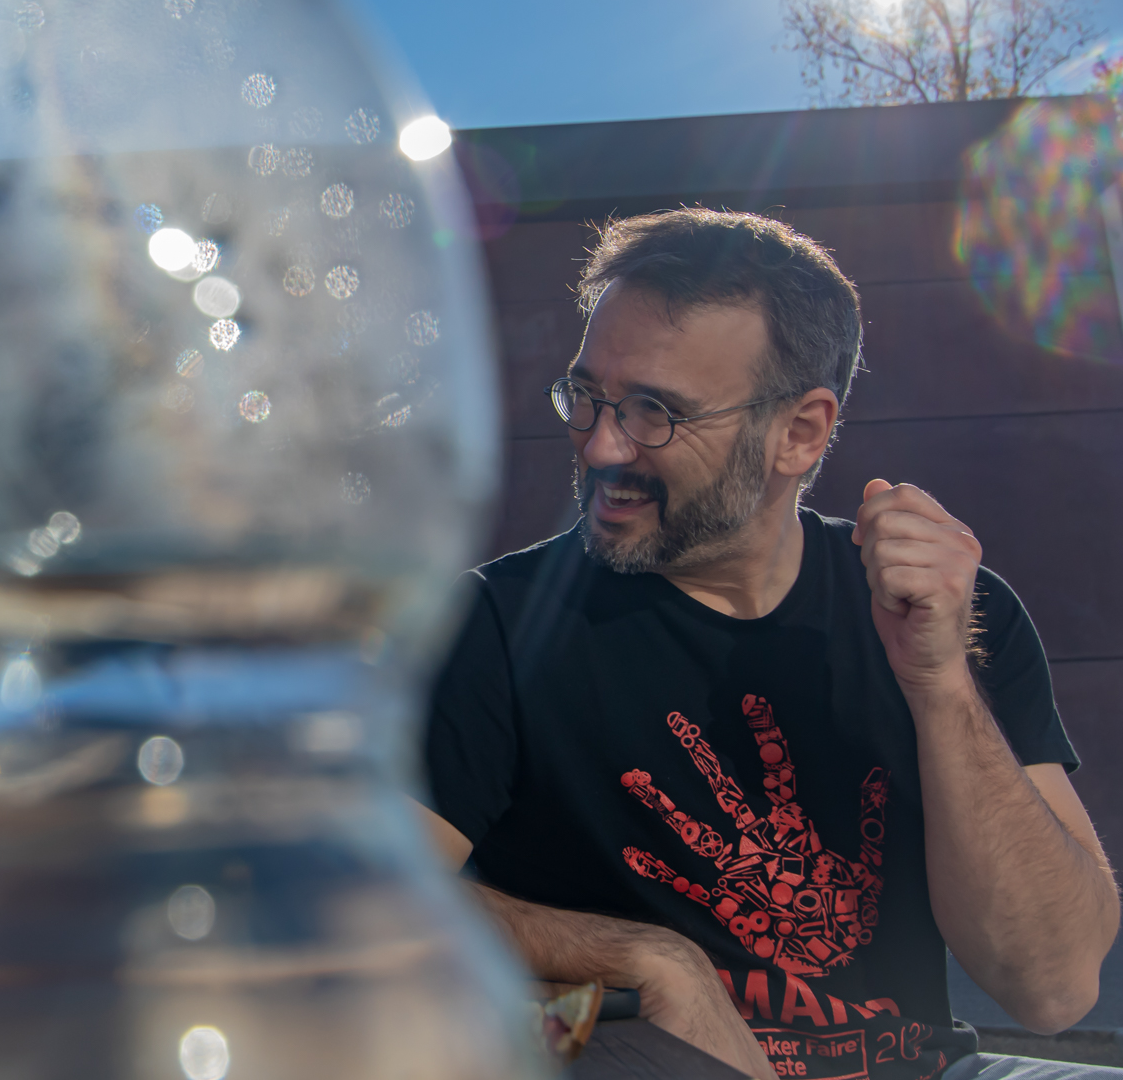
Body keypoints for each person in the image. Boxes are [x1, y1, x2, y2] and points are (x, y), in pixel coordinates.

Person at [422, 208, 1120, 1080]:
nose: (600, 444)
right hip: (623, 1055)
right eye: (587, 395)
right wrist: (638, 958)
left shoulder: (948, 616)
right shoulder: (495, 624)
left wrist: (939, 682)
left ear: (800, 432)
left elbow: (1054, 986)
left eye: (654, 411)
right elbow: (347, 896)